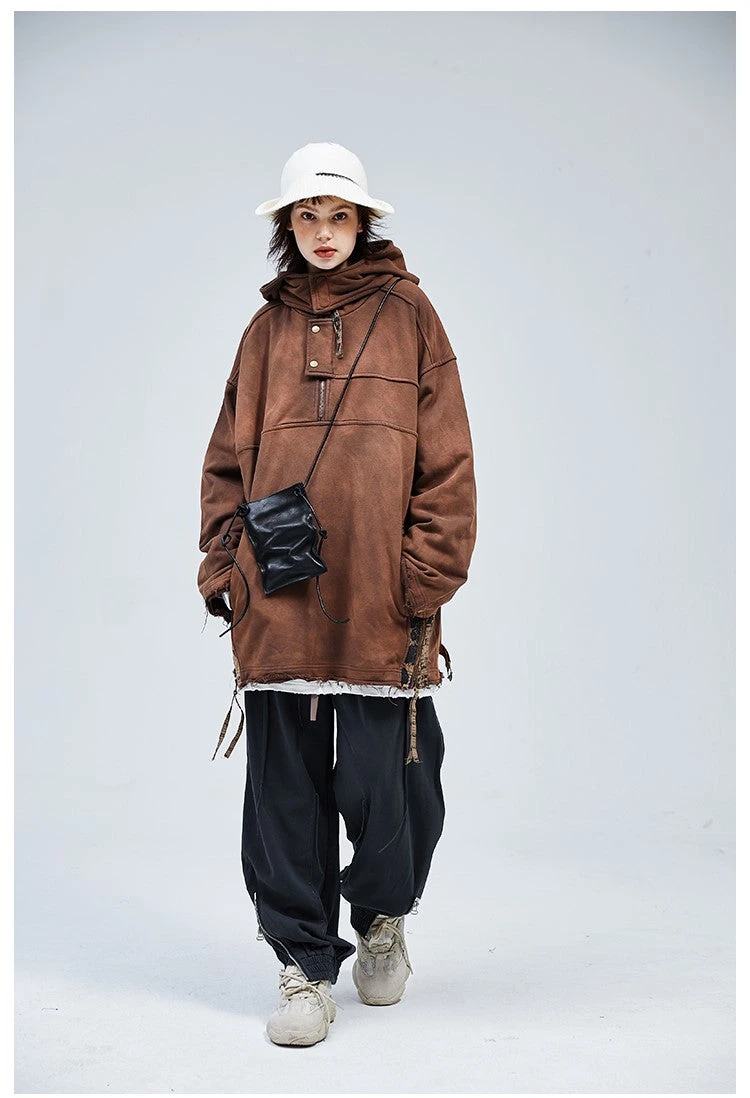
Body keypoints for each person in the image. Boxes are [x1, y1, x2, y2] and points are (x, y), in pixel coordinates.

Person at [197, 141, 477, 1047]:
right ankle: (305, 966)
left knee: (392, 785)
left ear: (364, 223)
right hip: (277, 601)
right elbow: (225, 461)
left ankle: (384, 916)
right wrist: (224, 566)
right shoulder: (263, 330)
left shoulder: (412, 316)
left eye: (340, 216)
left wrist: (423, 577)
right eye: (308, 217)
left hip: (380, 599)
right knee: (282, 793)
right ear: (289, 227)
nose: (324, 232)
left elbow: (449, 463)